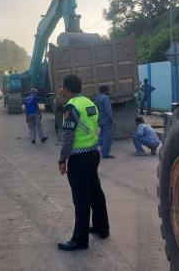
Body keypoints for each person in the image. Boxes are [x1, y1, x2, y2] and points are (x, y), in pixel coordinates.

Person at [57, 74, 110, 251]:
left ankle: (80, 240)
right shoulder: (89, 102)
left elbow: (68, 136)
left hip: (79, 158)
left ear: (66, 88)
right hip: (93, 153)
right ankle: (102, 228)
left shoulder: (71, 107)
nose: (61, 90)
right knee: (96, 191)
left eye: (62, 87)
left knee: (81, 199)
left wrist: (62, 159)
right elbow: (96, 125)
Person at [95, 85, 114, 159]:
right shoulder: (105, 98)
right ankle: (105, 153)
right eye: (108, 90)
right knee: (107, 138)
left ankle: (94, 148)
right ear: (106, 91)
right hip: (106, 120)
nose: (109, 92)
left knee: (101, 136)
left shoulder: (97, 98)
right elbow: (108, 110)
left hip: (100, 120)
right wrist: (112, 119)